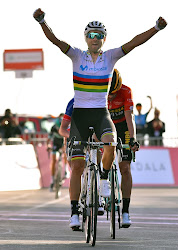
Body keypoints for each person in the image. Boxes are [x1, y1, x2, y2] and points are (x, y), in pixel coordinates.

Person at [33, 8, 166, 229]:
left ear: (104, 38)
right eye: (91, 35)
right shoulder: (76, 54)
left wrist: (156, 28)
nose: (95, 38)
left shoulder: (111, 56)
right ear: (86, 38)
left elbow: (134, 43)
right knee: (77, 167)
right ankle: (75, 212)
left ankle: (104, 179)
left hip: (101, 114)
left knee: (111, 145)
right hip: (81, 117)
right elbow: (55, 40)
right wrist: (42, 21)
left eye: (99, 35)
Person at [59, 69, 139, 228]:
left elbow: (129, 117)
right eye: (108, 94)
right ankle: (95, 192)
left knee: (125, 168)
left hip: (121, 127)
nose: (110, 97)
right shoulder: (91, 95)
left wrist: (133, 139)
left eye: (113, 94)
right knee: (92, 152)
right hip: (101, 126)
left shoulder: (125, 91)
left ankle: (125, 211)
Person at [47, 114, 65, 191]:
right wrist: (48, 146)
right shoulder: (53, 128)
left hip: (63, 142)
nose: (59, 131)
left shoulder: (67, 127)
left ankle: (66, 170)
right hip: (56, 143)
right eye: (58, 129)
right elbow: (49, 139)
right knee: (54, 159)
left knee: (66, 153)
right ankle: (52, 179)